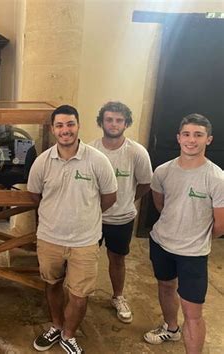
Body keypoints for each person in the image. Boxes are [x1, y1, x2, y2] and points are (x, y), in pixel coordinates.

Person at [28, 105, 118, 353]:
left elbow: (109, 197)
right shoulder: (42, 162)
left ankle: (69, 335)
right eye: (60, 125)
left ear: (78, 126)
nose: (65, 130)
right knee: (52, 284)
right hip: (49, 238)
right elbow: (35, 195)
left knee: (80, 295)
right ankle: (56, 326)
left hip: (85, 241)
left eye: (70, 124)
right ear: (52, 129)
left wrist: (85, 214)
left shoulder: (97, 160)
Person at [143, 114, 224, 353]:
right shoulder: (162, 171)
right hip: (161, 243)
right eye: (187, 134)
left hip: (193, 254)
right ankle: (170, 328)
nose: (191, 140)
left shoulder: (217, 178)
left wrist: (197, 238)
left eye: (198, 135)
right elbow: (161, 205)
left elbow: (220, 225)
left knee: (193, 313)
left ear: (208, 140)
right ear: (178, 138)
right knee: (166, 286)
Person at [90, 101, 152, 323]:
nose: (113, 124)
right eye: (109, 119)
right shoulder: (91, 150)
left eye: (118, 120)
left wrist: (125, 200)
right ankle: (81, 295)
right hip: (93, 218)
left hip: (122, 219)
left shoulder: (136, 152)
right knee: (85, 259)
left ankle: (118, 296)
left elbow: (145, 184)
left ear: (126, 123)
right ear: (101, 122)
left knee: (117, 259)